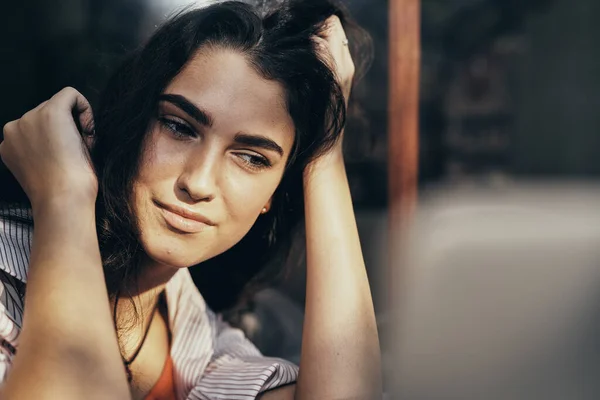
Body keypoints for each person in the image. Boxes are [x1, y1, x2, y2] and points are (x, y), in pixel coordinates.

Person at [0, 1, 381, 399]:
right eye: (179, 127)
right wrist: (64, 196)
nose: (198, 182)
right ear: (134, 119)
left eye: (252, 158)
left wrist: (324, 152)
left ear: (273, 193)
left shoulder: (208, 347)